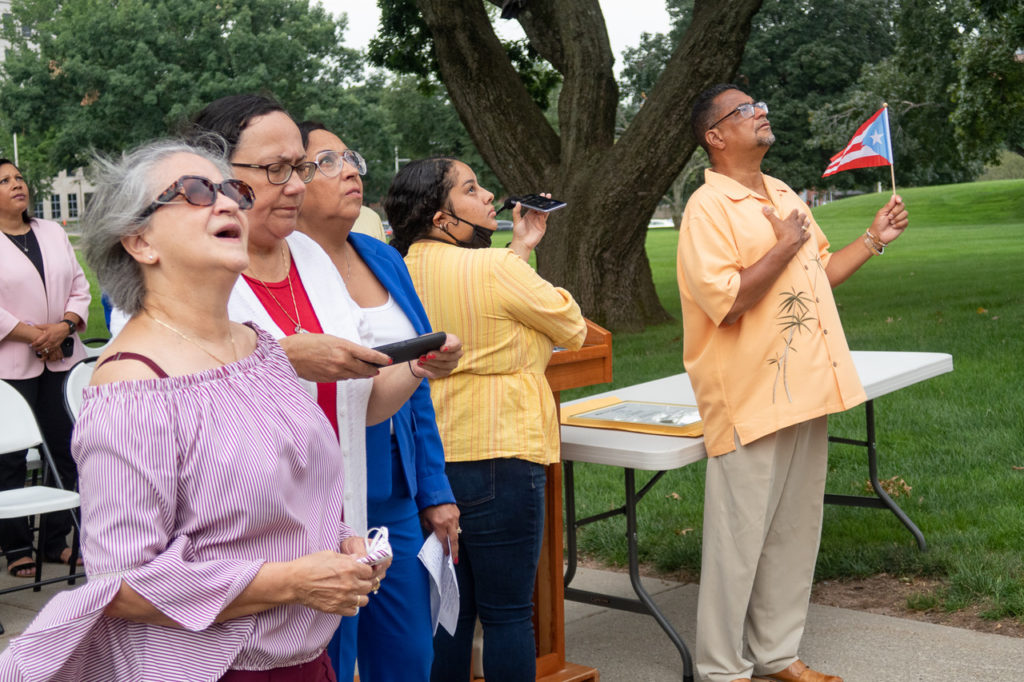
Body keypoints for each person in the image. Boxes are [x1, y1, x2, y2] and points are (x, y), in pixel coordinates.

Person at [0, 139, 385, 681]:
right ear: (140, 242)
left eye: (233, 189)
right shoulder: (134, 386)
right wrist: (293, 582)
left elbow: (287, 500)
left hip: (304, 662)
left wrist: (336, 548)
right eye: (197, 192)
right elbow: (122, 584)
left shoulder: (261, 348)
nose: (228, 202)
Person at [677, 84, 909, 682]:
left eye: (760, 105)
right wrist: (782, 246)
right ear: (716, 136)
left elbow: (819, 275)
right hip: (749, 396)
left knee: (793, 534)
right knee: (737, 544)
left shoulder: (782, 193)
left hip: (807, 388)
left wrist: (874, 238)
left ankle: (777, 656)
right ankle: (723, 670)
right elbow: (726, 302)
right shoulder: (707, 209)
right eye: (746, 109)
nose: (762, 112)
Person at [177, 95, 462, 548]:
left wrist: (415, 365)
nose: (295, 186)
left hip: (344, 525)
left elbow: (361, 405)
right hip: (254, 541)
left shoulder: (311, 258)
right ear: (216, 174)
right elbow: (167, 398)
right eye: (276, 169)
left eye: (299, 169)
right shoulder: (185, 270)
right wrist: (283, 358)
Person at [386, 158, 587, 682]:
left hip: (429, 459)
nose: (489, 196)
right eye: (471, 189)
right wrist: (519, 264)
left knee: (450, 612)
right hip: (502, 448)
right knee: (507, 615)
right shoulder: (495, 269)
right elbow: (571, 325)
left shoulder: (395, 270)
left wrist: (518, 248)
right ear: (440, 216)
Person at [296, 121, 460, 682]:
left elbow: (418, 379)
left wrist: (434, 492)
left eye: (350, 158)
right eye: (326, 161)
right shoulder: (280, 270)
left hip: (395, 488)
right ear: (292, 178)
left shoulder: (381, 257)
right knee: (334, 656)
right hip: (322, 492)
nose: (348, 171)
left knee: (410, 654)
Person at [0, 158, 90, 578]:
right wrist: (35, 336)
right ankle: (17, 546)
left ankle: (56, 542)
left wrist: (63, 327)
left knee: (65, 450)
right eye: (4, 181)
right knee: (10, 460)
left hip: (62, 358)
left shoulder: (51, 232)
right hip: (11, 364)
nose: (17, 184)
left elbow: (79, 285)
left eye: (18, 177)